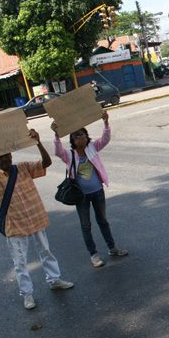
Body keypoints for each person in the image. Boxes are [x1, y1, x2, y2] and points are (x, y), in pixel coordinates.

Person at [0, 129, 74, 310]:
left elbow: (46, 163)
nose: (5, 160)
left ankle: (54, 279)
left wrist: (38, 142)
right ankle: (27, 294)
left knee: (46, 251)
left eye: (7, 157)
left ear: (11, 156)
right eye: (1, 159)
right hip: (15, 224)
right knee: (20, 262)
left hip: (35, 218)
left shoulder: (24, 168)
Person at [52, 111, 128, 268]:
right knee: (86, 225)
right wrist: (56, 135)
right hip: (81, 197)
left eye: (84, 134)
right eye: (78, 135)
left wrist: (106, 123)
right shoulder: (69, 155)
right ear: (73, 140)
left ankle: (112, 248)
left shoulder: (92, 147)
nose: (82, 137)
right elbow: (57, 151)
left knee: (103, 221)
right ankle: (94, 255)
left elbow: (105, 139)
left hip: (97, 191)